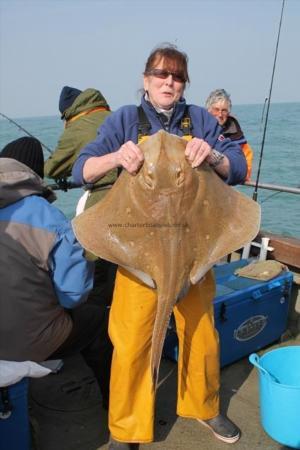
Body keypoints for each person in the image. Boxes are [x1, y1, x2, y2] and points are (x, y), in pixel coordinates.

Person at [72, 44, 247, 449]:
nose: (169, 82)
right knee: (132, 338)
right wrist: (116, 156)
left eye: (177, 76)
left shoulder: (200, 119)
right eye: (160, 74)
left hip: (194, 251)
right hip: (138, 254)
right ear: (145, 79)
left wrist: (215, 156)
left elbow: (237, 166)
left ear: (184, 83)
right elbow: (83, 168)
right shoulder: (123, 121)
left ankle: (202, 406)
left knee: (201, 332)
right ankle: (127, 427)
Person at [0, 136, 111, 409]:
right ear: (34, 174)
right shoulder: (47, 216)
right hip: (24, 343)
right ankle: (116, 407)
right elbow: (73, 296)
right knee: (97, 319)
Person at [45, 86, 117, 310]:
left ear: (67, 113)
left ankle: (97, 317)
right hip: (133, 199)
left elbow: (52, 168)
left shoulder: (76, 127)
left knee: (95, 263)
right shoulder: (114, 117)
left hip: (103, 202)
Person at [205, 88, 253, 181]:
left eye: (224, 110)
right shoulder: (198, 125)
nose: (219, 114)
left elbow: (246, 168)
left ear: (228, 113)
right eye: (216, 109)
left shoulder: (236, 133)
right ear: (208, 110)